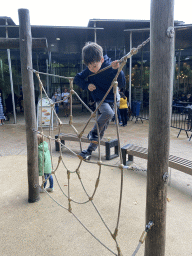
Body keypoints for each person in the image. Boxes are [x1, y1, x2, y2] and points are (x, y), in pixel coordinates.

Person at [74, 42, 125, 160]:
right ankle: (91, 140)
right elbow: (78, 78)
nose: (92, 70)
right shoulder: (90, 69)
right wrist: (87, 85)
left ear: (101, 60)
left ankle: (89, 148)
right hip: (100, 99)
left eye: (94, 66)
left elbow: (122, 83)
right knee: (106, 118)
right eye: (89, 67)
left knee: (102, 127)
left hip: (112, 99)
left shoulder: (109, 67)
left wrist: (118, 70)